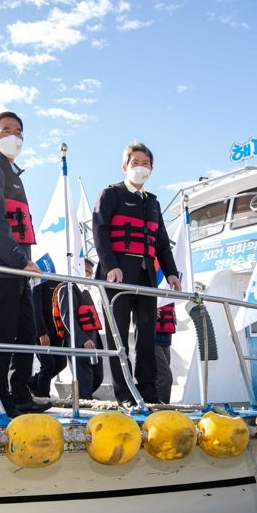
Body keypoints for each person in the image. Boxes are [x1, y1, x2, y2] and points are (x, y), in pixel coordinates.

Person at [0, 111, 49, 416]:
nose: (13, 136)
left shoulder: (13, 174)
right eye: (6, 130)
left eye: (18, 131)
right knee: (2, 333)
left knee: (26, 332)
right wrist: (18, 260)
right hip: (3, 269)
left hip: (19, 271)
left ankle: (20, 393)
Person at [93, 142, 181, 407]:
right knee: (117, 335)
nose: (140, 168)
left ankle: (149, 392)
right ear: (124, 167)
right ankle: (125, 395)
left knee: (146, 337)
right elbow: (99, 230)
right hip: (117, 275)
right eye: (135, 163)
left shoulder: (153, 202)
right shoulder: (110, 195)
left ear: (151, 169)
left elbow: (161, 242)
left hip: (145, 278)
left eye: (145, 164)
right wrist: (111, 265)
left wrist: (172, 273)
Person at [53, 259, 105, 399]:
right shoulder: (67, 289)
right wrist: (83, 339)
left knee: (98, 376)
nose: (90, 276)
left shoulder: (85, 291)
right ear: (80, 269)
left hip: (93, 342)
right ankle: (82, 402)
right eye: (89, 272)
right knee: (84, 377)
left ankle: (77, 397)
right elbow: (67, 317)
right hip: (79, 342)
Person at [28, 278, 66, 399]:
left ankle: (33, 382)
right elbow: (36, 310)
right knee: (48, 365)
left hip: (57, 333)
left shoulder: (59, 283)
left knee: (61, 363)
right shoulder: (38, 284)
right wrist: (41, 333)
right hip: (42, 333)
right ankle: (43, 396)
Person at [154, 303, 176, 401]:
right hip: (152, 339)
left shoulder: (168, 288)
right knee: (165, 378)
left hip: (166, 340)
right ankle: (162, 410)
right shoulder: (153, 286)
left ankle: (160, 407)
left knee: (160, 378)